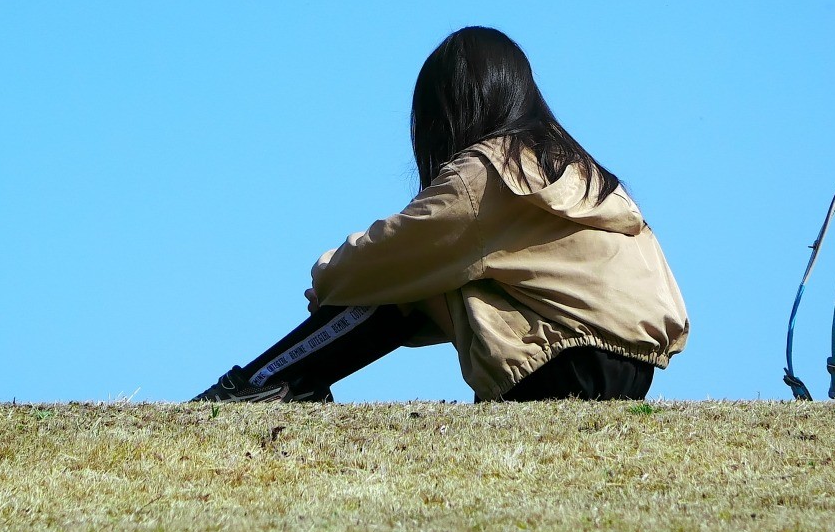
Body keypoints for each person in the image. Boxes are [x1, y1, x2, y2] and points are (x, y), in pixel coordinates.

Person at [195, 26, 688, 403]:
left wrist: (329, 274)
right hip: (629, 370)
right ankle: (280, 383)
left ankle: (259, 386)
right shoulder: (584, 175)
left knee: (402, 271)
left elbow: (397, 250)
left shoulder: (494, 168)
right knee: (427, 268)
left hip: (558, 366)